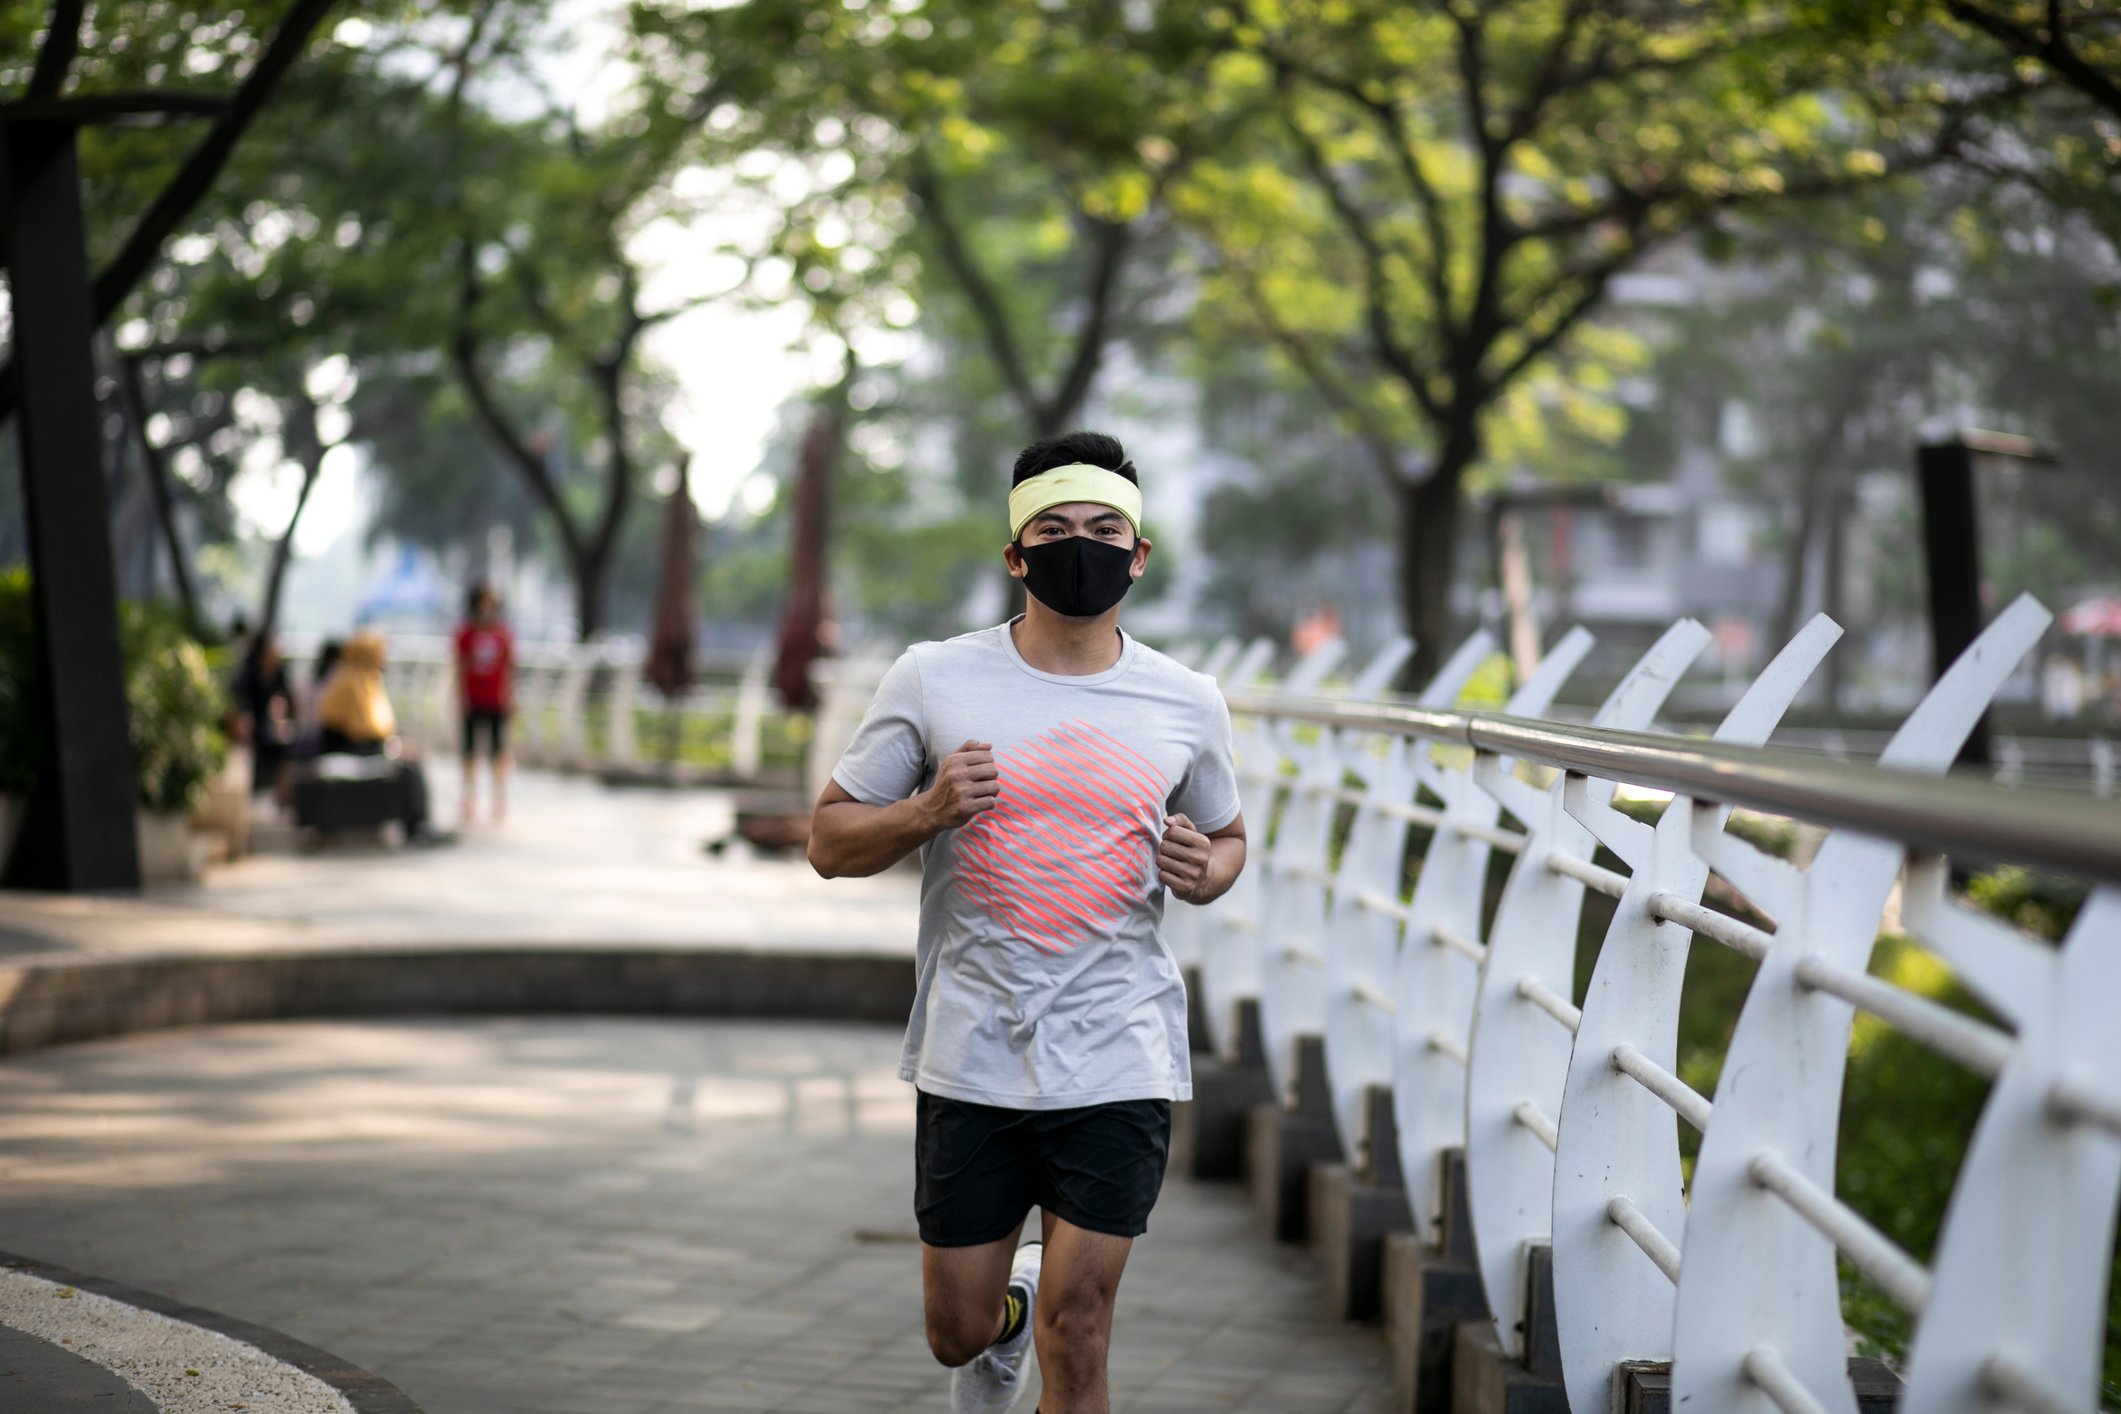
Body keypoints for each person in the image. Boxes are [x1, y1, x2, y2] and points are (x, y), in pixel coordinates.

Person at [807, 431, 1248, 1414]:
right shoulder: (934, 677)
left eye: (1103, 530)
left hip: (1120, 1050)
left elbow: (1228, 840)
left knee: (1079, 1332)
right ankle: (1002, 1311)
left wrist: (1204, 870)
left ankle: (1039, 1313)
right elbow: (828, 841)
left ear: (1139, 554)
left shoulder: (1187, 701)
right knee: (954, 1329)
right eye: (1052, 530)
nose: (1078, 547)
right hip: (976, 1050)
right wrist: (925, 812)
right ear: (1015, 555)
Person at [315, 631, 445, 845]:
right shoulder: (350, 682)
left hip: (363, 748)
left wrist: (394, 744)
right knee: (408, 768)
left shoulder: (367, 680)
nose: (384, 657)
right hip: (349, 752)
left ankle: (420, 825)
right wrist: (392, 747)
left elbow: (380, 729)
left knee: (412, 761)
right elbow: (359, 732)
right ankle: (416, 827)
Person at [454, 584, 515, 825]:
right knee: (469, 753)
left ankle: (499, 798)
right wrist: (460, 699)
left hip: (496, 701)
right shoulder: (465, 633)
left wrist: (510, 697)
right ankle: (469, 797)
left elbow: (510, 668)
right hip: (472, 699)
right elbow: (460, 667)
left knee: (498, 753)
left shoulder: (503, 634)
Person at [231, 633, 296, 794]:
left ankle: (281, 791)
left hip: (272, 728)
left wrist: (284, 713)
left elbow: (287, 700)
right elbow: (238, 699)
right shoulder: (248, 672)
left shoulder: (279, 673)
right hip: (253, 726)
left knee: (284, 746)